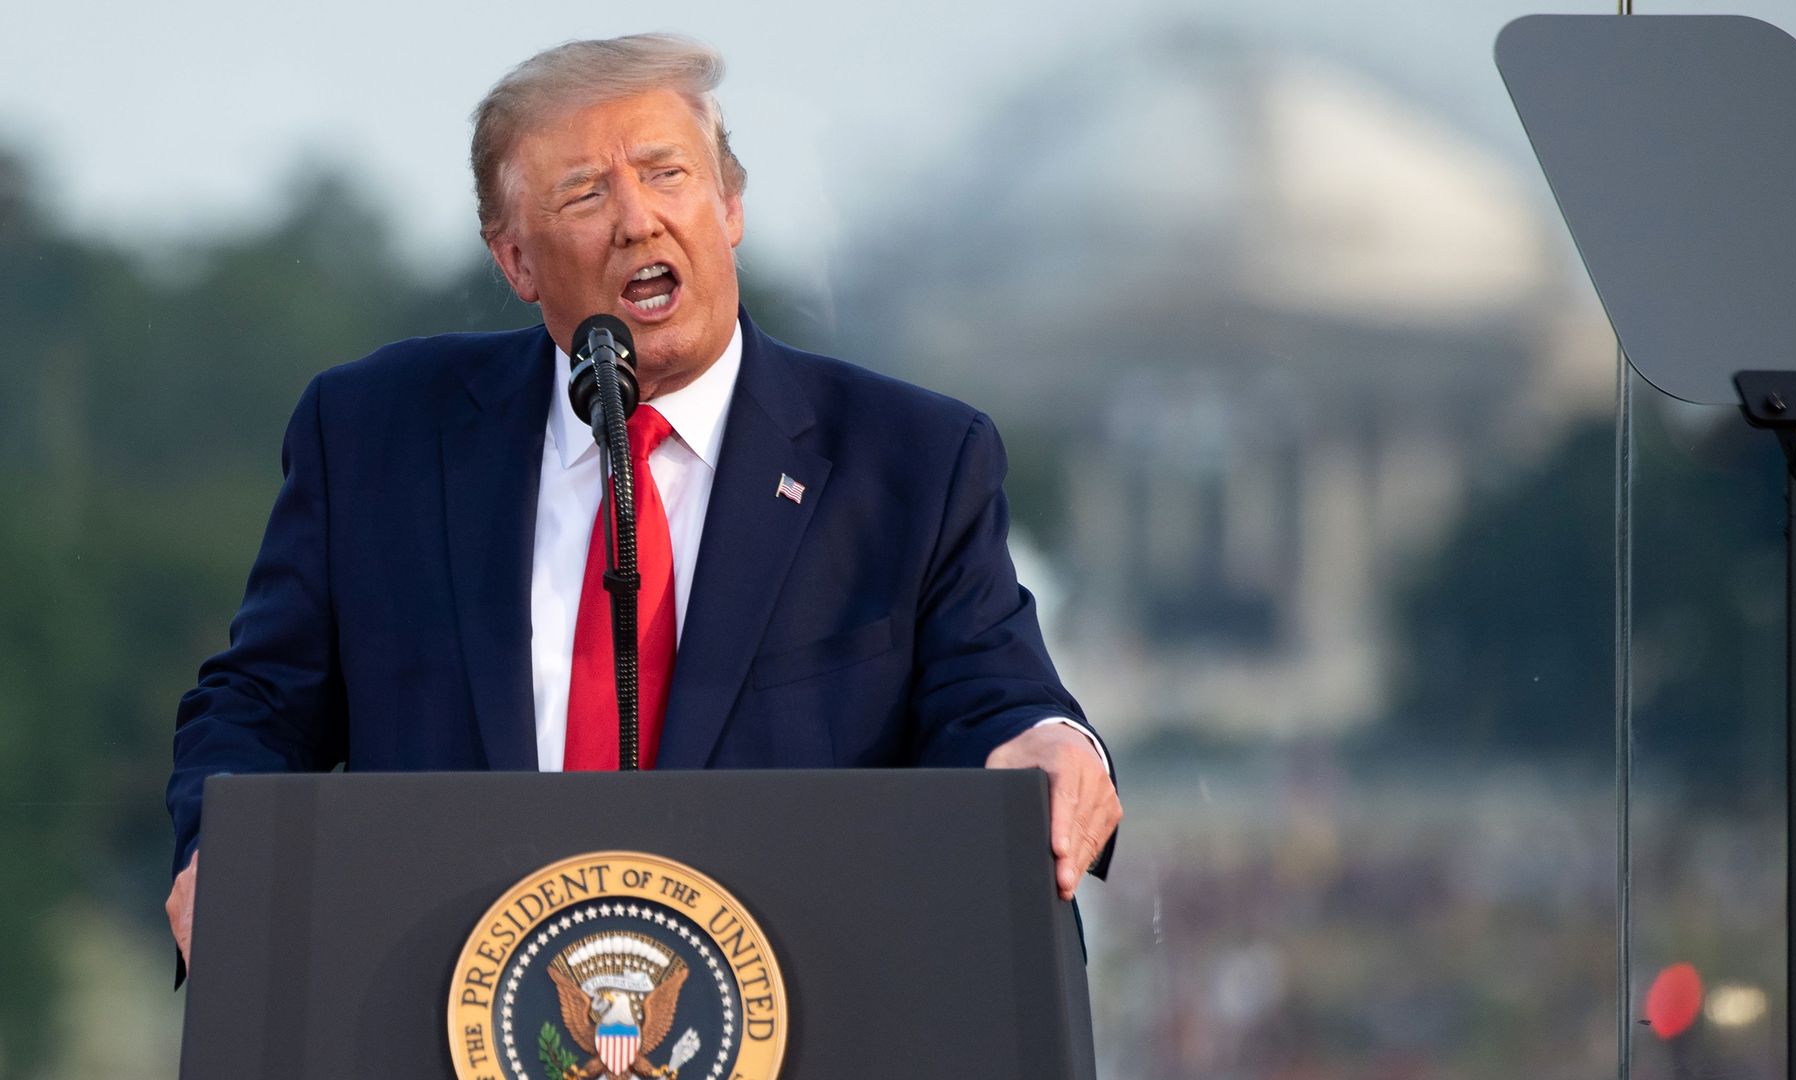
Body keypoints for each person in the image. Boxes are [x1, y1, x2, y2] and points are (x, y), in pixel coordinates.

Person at [164, 33, 1120, 969]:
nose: (637, 220)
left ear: (730, 204)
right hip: (449, 1013)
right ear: (516, 261)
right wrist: (226, 844)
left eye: (667, 175)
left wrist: (1047, 742)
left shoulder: (911, 461)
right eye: (584, 193)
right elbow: (259, 702)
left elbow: (993, 699)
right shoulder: (376, 436)